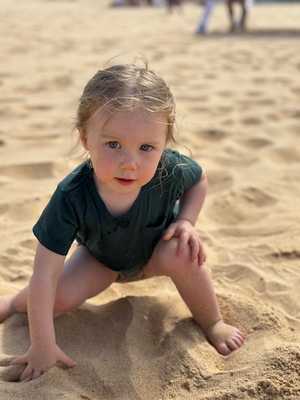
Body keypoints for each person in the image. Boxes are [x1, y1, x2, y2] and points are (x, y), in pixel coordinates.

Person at [0, 63, 245, 382]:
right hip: (100, 261)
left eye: (147, 148)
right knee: (56, 298)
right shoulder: (71, 195)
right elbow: (45, 274)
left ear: (164, 144)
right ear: (85, 138)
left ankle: (212, 322)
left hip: (157, 252)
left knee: (185, 251)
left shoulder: (169, 169)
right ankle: (12, 302)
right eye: (113, 144)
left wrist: (186, 221)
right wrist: (43, 344)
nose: (130, 163)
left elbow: (198, 180)